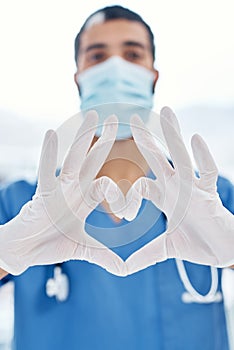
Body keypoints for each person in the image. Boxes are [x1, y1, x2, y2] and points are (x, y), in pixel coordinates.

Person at [0, 5, 234, 350]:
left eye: (132, 53)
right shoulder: (21, 205)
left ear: (153, 75)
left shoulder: (211, 198)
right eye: (97, 56)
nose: (116, 68)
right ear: (78, 77)